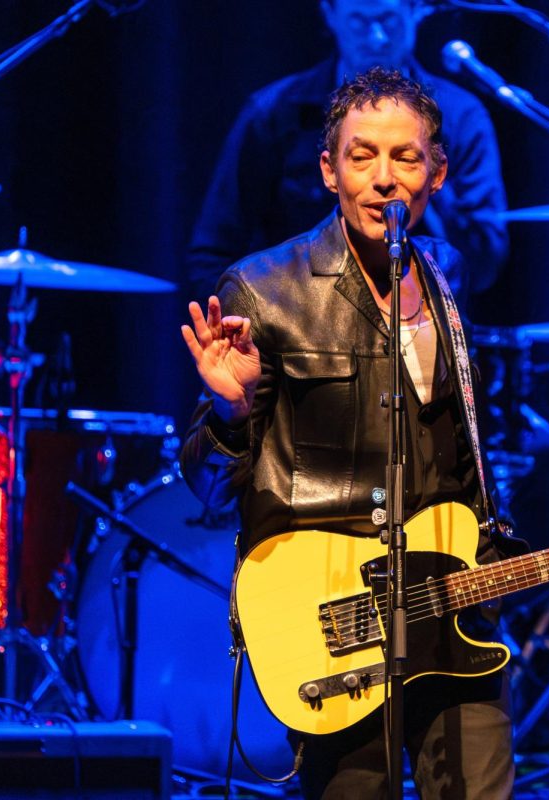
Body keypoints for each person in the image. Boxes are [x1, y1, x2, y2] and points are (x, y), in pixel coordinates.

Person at [180, 68, 519, 799]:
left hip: (451, 601)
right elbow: (208, 488)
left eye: (405, 158)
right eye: (362, 156)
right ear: (329, 169)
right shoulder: (265, 289)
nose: (384, 179)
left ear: (437, 173)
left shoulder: (446, 273)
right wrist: (233, 414)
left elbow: (457, 457)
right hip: (339, 615)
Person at [185, 0, 509, 309]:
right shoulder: (275, 113)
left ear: (416, 11)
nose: (376, 37)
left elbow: (484, 263)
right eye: (359, 22)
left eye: (389, 20)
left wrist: (422, 168)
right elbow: (213, 253)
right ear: (330, 14)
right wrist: (263, 334)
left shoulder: (460, 116)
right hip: (304, 343)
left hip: (423, 341)